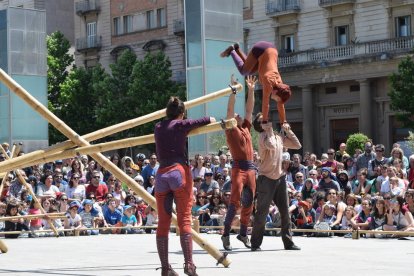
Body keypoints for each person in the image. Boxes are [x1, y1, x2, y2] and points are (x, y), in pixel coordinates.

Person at [154, 96, 214, 276]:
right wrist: (210, 119)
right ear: (182, 114)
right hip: (178, 172)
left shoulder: (157, 127)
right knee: (184, 220)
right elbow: (206, 120)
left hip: (161, 174)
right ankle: (189, 265)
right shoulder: (180, 125)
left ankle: (165, 268)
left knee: (163, 223)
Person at [250, 108, 302, 250]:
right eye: (263, 121)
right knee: (262, 212)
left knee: (285, 211)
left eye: (267, 120)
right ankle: (255, 243)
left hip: (280, 178)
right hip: (265, 178)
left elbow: (297, 145)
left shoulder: (278, 137)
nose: (267, 122)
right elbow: (271, 145)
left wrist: (288, 131)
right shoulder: (263, 137)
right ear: (259, 126)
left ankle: (288, 242)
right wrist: (269, 131)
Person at [221, 76, 257, 251]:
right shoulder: (231, 129)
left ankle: (243, 233)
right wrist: (233, 91)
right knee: (235, 202)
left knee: (249, 202)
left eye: (238, 115)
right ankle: (226, 233)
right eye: (236, 115)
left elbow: (250, 109)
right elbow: (230, 110)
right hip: (238, 168)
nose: (238, 114)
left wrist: (250, 90)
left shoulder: (246, 128)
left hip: (250, 169)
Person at [220, 41, 291, 123]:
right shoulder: (269, 83)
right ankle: (232, 50)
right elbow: (265, 104)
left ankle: (237, 49)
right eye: (277, 99)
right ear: (275, 92)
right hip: (261, 49)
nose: (276, 101)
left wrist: (284, 122)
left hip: (271, 50)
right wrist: (264, 121)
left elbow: (281, 105)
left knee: (249, 70)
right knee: (243, 71)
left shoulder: (279, 83)